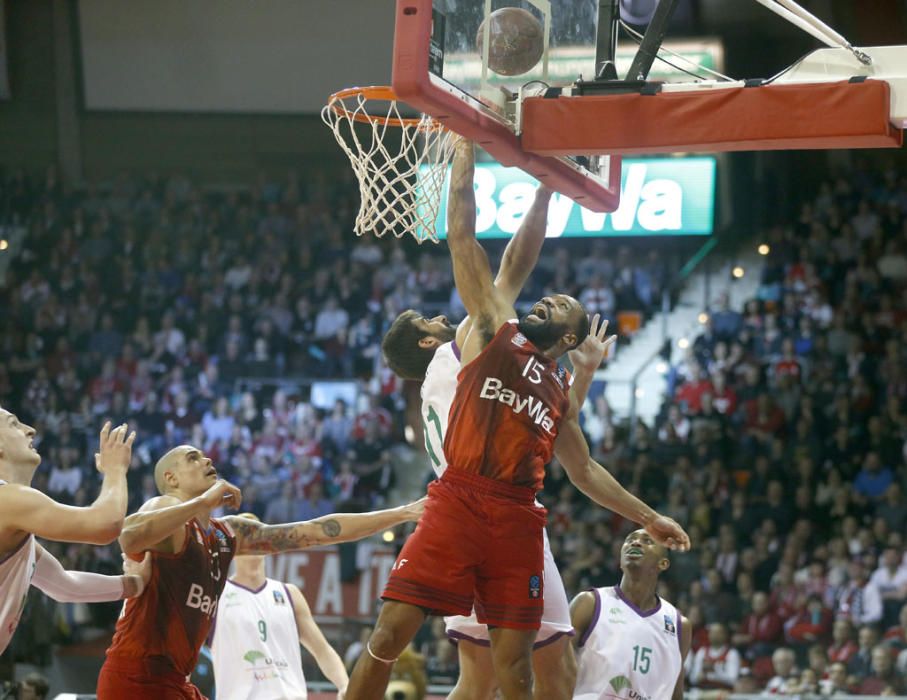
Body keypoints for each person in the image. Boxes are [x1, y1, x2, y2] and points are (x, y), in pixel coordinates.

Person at [347, 140, 690, 700]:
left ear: (571, 336)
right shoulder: (484, 333)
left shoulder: (556, 388)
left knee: (514, 673)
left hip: (515, 517)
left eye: (559, 305)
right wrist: (466, 152)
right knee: (391, 636)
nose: (546, 300)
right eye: (547, 298)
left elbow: (583, 469)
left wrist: (649, 517)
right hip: (458, 496)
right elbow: (489, 251)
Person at [382, 177, 600, 699]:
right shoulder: (466, 343)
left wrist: (579, 375)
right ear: (429, 339)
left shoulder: (435, 389)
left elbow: (542, 426)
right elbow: (512, 266)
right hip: (494, 510)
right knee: (553, 671)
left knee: (477, 680)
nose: (444, 314)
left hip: (460, 505)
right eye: (432, 319)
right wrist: (544, 195)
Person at [96, 443, 424, 699]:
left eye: (205, 456)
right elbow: (128, 534)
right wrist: (204, 502)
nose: (207, 460)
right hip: (137, 674)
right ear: (171, 478)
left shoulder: (227, 533)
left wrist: (401, 513)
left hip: (175, 680)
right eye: (194, 458)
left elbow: (315, 531)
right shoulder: (164, 508)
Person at [0, 413, 151, 655]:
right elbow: (106, 525)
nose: (30, 429)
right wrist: (115, 471)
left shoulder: (14, 517)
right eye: (14, 424)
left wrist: (134, 584)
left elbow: (64, 586)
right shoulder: (8, 500)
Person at [209, 513, 348, 699]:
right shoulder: (215, 595)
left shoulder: (289, 594)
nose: (253, 540)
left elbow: (322, 650)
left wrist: (344, 685)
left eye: (258, 533)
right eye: (246, 536)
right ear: (233, 545)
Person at [570, 529, 691, 700]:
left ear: (663, 563)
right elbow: (554, 668)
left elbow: (675, 693)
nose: (635, 543)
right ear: (620, 562)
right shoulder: (590, 603)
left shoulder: (679, 625)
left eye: (647, 541)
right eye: (630, 540)